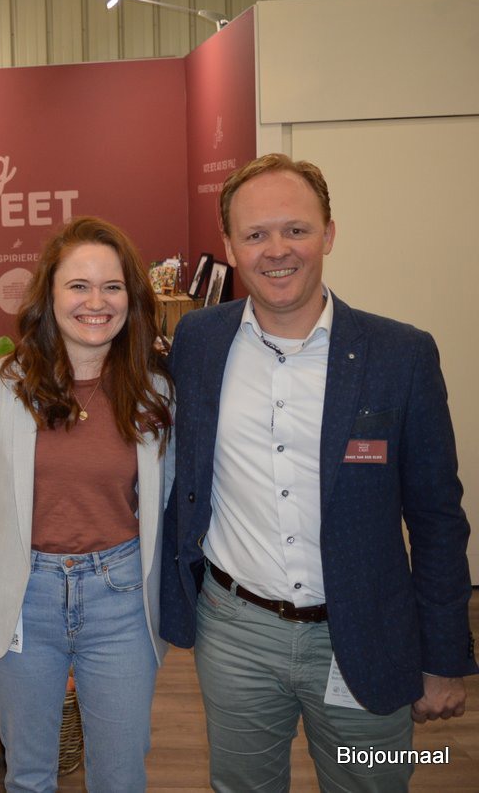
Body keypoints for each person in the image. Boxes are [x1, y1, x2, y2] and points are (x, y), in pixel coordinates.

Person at [160, 153, 476, 791]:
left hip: (365, 630)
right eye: (255, 234)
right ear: (230, 246)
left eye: (296, 229)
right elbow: (119, 400)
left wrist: (443, 656)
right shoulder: (199, 341)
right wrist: (3, 402)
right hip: (235, 634)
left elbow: (438, 517)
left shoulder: (401, 355)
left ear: (328, 234)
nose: (277, 250)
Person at [0, 216, 173, 792]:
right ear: (49, 295)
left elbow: (173, 500)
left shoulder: (158, 390)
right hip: (25, 600)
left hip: (122, 600)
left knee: (120, 777)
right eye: (78, 286)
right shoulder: (3, 385)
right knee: (28, 776)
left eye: (112, 286)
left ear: (130, 298)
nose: (96, 302)